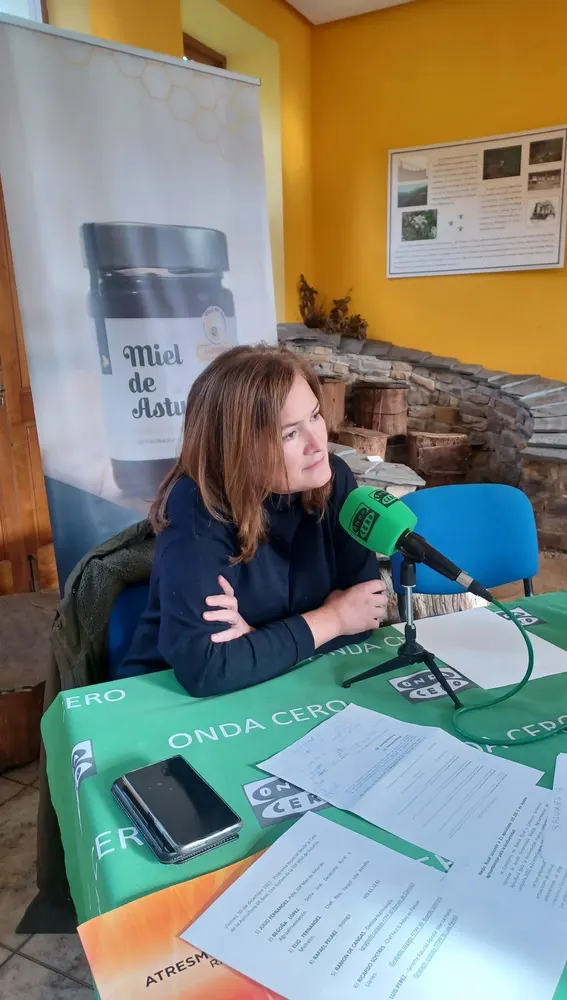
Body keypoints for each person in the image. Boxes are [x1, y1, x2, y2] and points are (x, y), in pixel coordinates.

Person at [120, 345, 388, 696]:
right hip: (161, 697)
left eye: (316, 416)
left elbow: (365, 614)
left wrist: (259, 644)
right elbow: (208, 669)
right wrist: (332, 619)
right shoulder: (197, 505)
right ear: (238, 449)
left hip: (279, 686)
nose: (318, 443)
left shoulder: (332, 479)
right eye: (289, 434)